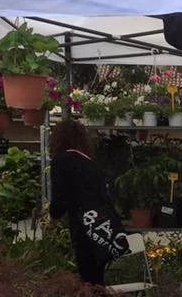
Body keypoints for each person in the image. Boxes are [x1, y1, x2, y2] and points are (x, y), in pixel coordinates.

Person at [49, 119, 128, 285]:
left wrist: (53, 216)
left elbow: (60, 197)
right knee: (97, 275)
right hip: (100, 223)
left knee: (87, 275)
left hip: (81, 224)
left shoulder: (61, 160)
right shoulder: (89, 162)